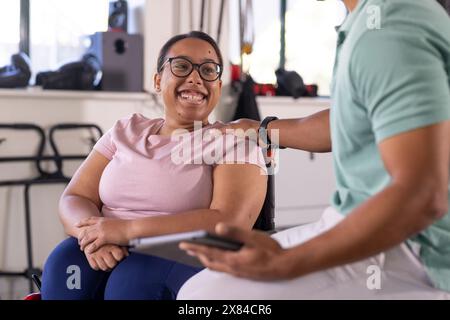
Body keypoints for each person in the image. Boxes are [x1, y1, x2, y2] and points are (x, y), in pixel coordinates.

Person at [179, 0, 450, 299]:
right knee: (200, 289)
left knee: (205, 299)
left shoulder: (388, 28)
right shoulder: (367, 21)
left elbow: (422, 195)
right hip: (358, 219)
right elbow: (349, 119)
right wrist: (260, 129)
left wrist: (286, 263)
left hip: (415, 250)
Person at [41, 31, 268, 300]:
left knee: (131, 286)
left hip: (179, 250)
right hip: (106, 239)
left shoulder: (234, 142)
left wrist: (125, 231)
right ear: (158, 81)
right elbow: (75, 196)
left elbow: (230, 221)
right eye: (182, 66)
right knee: (63, 265)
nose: (195, 78)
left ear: (218, 86)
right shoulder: (126, 130)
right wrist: (91, 237)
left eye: (208, 70)